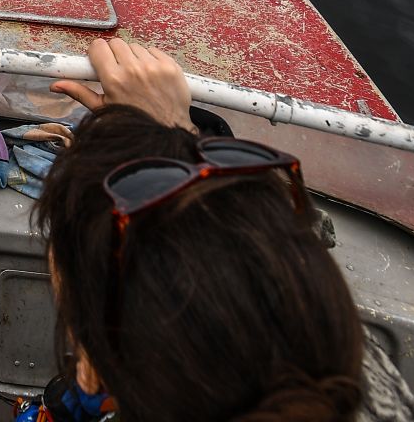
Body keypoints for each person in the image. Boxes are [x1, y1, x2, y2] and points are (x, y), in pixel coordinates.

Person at [37, 39, 393, 422]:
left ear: (91, 372)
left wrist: (170, 129)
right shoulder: (348, 386)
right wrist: (173, 131)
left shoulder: (334, 372)